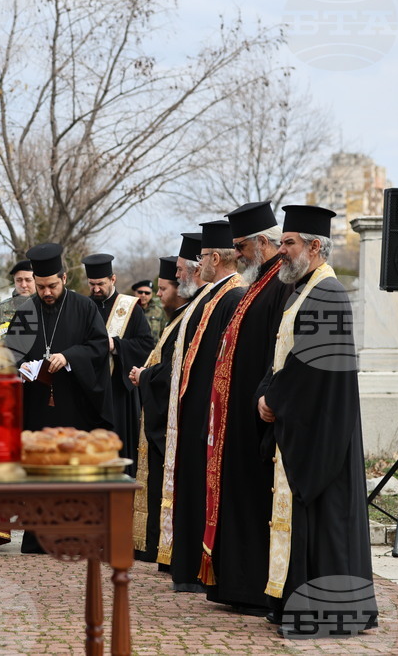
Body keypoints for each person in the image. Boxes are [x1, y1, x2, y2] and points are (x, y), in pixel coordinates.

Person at [256, 205, 376, 638]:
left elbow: (313, 370)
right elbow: (282, 358)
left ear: (314, 246)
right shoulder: (301, 291)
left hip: (323, 431)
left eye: (289, 243)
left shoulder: (328, 293)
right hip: (299, 419)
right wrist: (264, 395)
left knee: (327, 521)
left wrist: (274, 397)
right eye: (283, 242)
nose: (282, 251)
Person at [199, 202, 293, 615]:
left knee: (253, 500)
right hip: (235, 417)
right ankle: (235, 586)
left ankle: (254, 588)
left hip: (256, 414)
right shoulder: (256, 283)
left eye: (240, 246)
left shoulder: (280, 285)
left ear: (261, 242)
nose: (236, 254)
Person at [4, 242, 113, 554]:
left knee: (72, 468)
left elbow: (98, 346)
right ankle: (38, 538)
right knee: (40, 469)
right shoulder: (27, 310)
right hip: (38, 406)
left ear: (64, 279)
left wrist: (68, 357)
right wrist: (20, 366)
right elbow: (11, 351)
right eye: (40, 287)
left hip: (74, 404)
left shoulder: (83, 307)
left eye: (52, 285)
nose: (46, 292)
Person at [158, 223, 245, 592]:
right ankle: (188, 566)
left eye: (196, 261)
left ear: (212, 258)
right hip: (193, 416)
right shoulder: (210, 296)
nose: (191, 269)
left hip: (207, 418)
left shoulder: (230, 295)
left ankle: (197, 567)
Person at [129, 256, 186, 563]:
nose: (159, 294)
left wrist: (144, 376)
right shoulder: (174, 318)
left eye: (163, 288)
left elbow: (173, 370)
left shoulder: (184, 318)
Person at [82, 253, 155, 474]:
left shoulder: (131, 307)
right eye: (92, 284)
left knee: (119, 447)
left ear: (113, 279)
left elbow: (146, 345)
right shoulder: (83, 306)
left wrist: (115, 345)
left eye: (100, 284)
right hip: (89, 389)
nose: (96, 289)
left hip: (118, 391)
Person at [0, 259, 36, 328]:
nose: (23, 285)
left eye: (28, 280)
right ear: (14, 281)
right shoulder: (2, 309)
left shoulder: (46, 306)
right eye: (19, 280)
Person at [132, 278, 166, 342]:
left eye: (147, 293)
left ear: (151, 294)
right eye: (140, 292)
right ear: (135, 293)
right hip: (134, 349)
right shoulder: (129, 310)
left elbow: (163, 333)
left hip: (153, 350)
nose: (143, 295)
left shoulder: (158, 311)